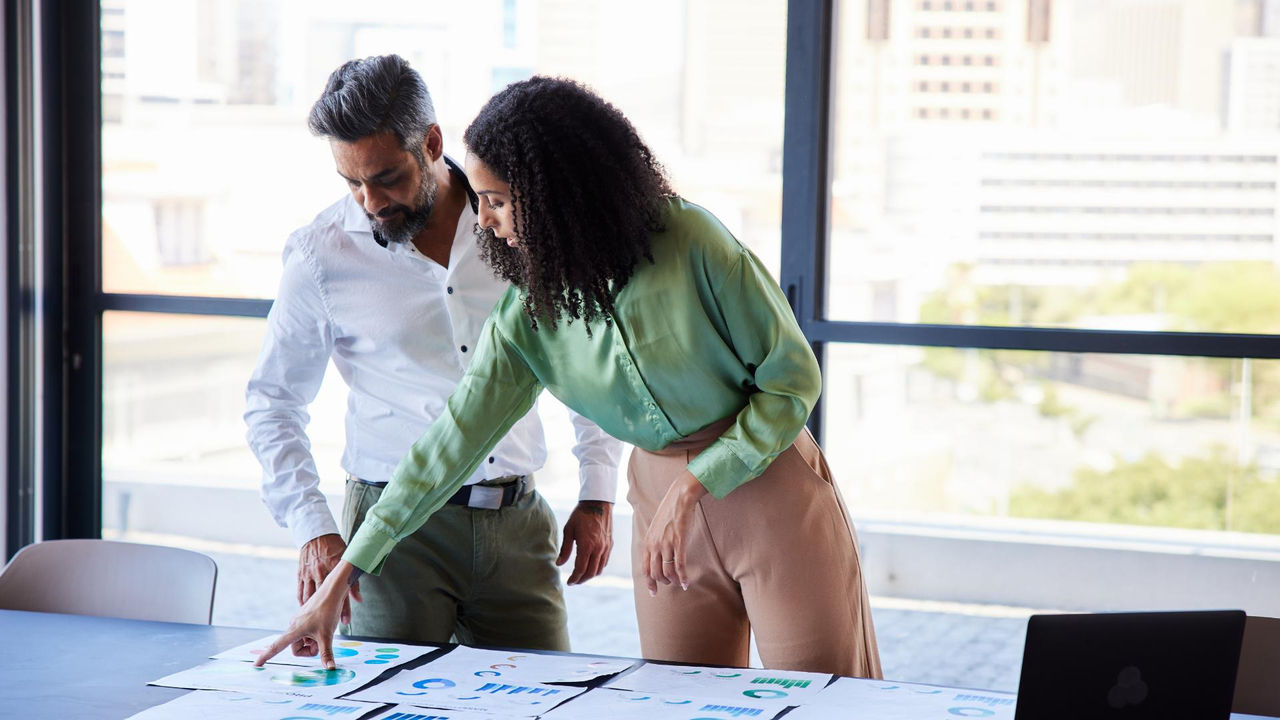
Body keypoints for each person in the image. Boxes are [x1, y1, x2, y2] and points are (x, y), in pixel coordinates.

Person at [257, 75, 881, 678]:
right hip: (660, 499)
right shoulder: (525, 312)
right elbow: (446, 448)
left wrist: (689, 485)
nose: (484, 220)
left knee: (826, 699)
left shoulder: (691, 238)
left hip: (767, 484)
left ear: (558, 194)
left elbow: (792, 381)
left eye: (498, 202)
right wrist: (340, 576)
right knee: (680, 699)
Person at [244, 57, 622, 652]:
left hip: (518, 522)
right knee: (386, 704)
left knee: (540, 703)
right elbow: (272, 403)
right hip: (391, 535)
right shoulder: (320, 255)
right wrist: (315, 530)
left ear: (432, 142)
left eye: (387, 177)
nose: (370, 201)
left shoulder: (518, 224)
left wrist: (597, 488)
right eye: (352, 182)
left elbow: (585, 359)